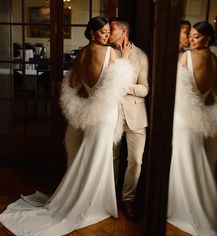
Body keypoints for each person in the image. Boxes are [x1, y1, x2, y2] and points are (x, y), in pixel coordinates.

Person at [0, 16, 134, 236]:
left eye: (109, 31)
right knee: (100, 155)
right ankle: (95, 202)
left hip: (91, 112)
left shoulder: (82, 54)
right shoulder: (111, 53)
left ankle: (87, 196)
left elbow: (72, 84)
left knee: (90, 153)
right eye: (103, 32)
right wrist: (125, 59)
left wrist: (87, 92)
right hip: (105, 112)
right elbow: (119, 83)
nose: (107, 35)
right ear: (92, 33)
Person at [167, 22, 217, 235]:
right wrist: (206, 97)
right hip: (200, 118)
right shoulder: (214, 60)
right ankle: (198, 204)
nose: (192, 40)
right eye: (191, 36)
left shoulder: (186, 57)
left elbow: (174, 88)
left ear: (208, 39)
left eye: (197, 37)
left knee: (180, 158)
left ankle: (179, 207)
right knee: (194, 158)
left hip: (183, 116)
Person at [108, 17, 149, 221]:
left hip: (136, 115)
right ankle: (109, 197)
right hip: (111, 113)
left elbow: (144, 89)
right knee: (111, 158)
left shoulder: (141, 55)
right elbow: (104, 84)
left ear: (124, 31)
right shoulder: (106, 53)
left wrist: (125, 87)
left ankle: (128, 199)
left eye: (112, 29)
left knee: (136, 160)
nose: (108, 32)